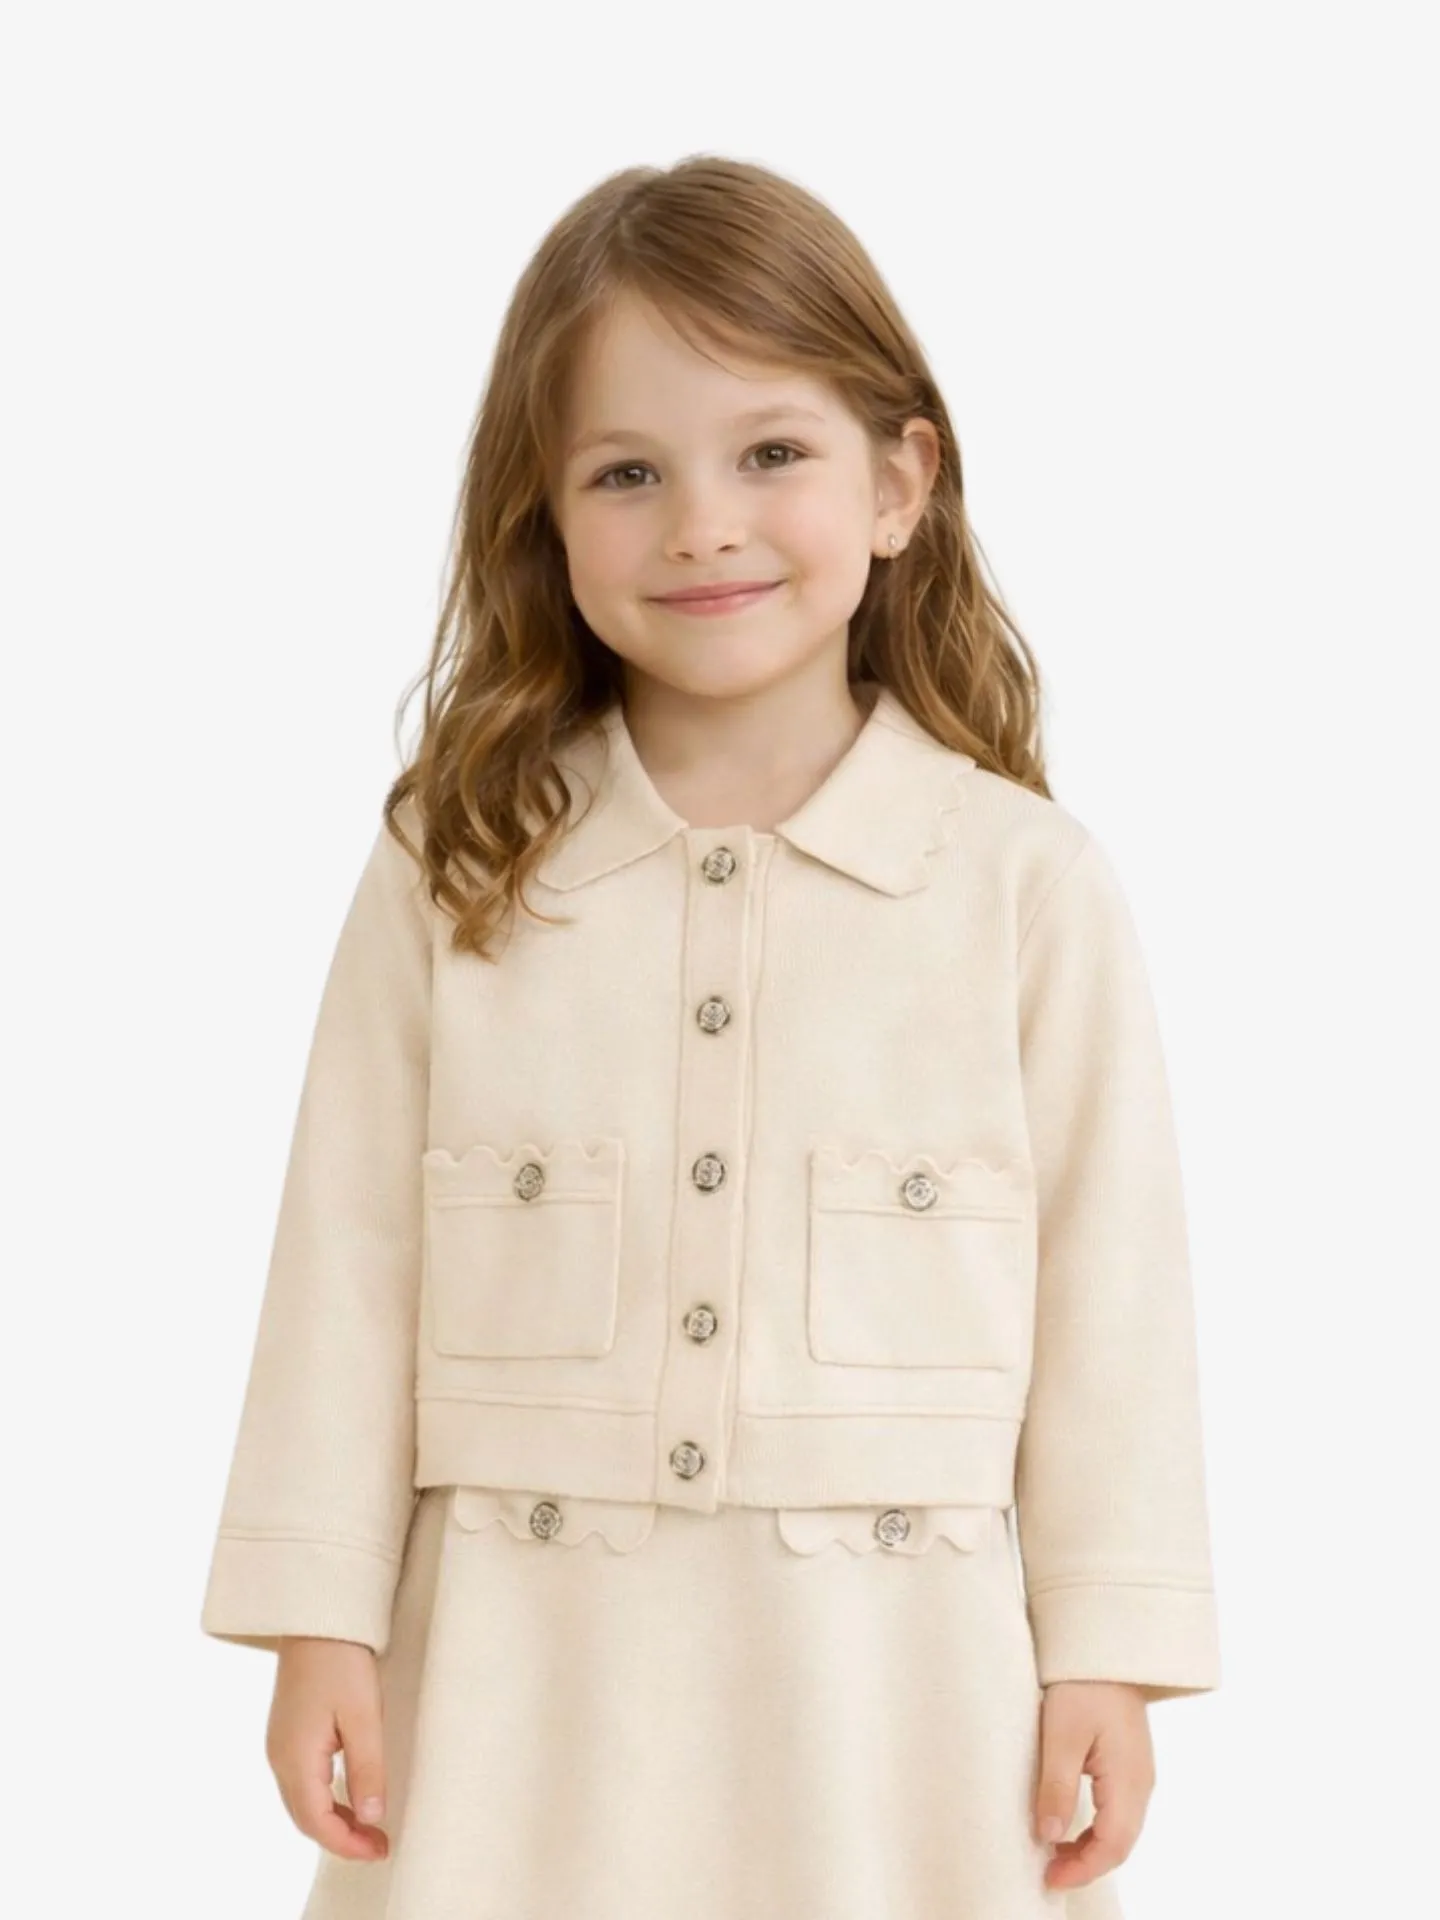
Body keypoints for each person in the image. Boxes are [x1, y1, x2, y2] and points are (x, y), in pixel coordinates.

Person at [200, 153, 1221, 1920]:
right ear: (543, 513)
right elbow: (345, 1253)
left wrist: (1109, 1653)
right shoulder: (459, 861)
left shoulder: (1021, 884)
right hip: (516, 1670)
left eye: (770, 454)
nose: (701, 525)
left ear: (899, 483)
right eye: (627, 473)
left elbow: (1111, 1294)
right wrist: (318, 1617)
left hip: (897, 1689)